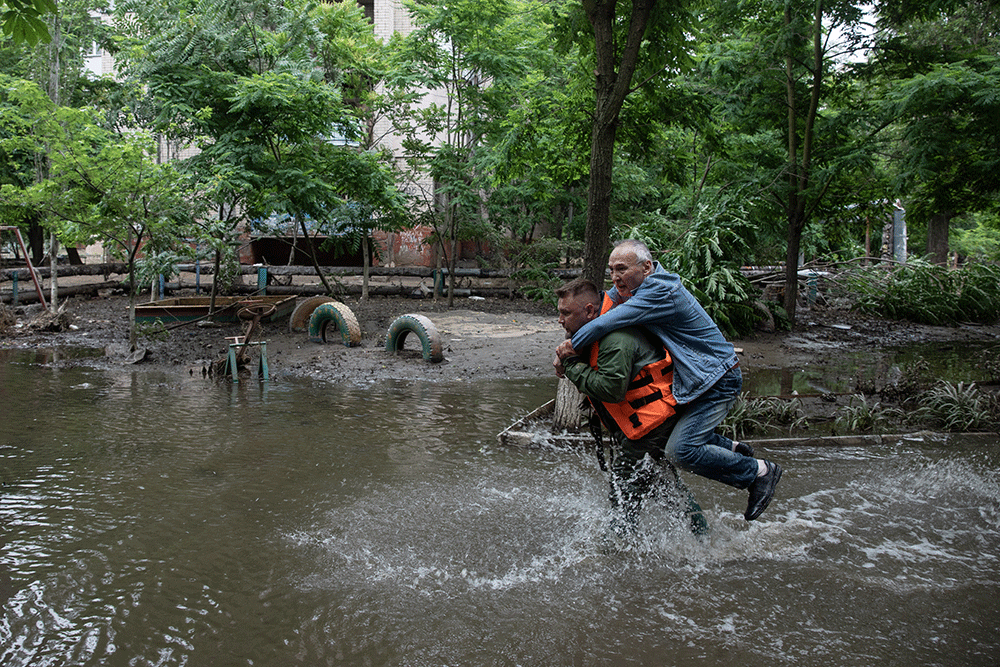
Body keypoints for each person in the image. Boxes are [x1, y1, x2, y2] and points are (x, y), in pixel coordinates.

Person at [555, 239, 782, 521]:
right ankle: (730, 449)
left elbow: (603, 322)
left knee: (681, 451)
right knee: (676, 447)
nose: (615, 277)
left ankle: (758, 472)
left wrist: (567, 353)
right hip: (694, 379)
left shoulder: (661, 290)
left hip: (717, 377)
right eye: (611, 270)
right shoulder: (630, 288)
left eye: (622, 269)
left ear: (646, 268)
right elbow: (605, 304)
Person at [554, 278, 708, 537]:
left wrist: (570, 364)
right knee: (663, 485)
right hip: (648, 423)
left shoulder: (615, 338)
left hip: (650, 424)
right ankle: (702, 537)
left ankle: (617, 548)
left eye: (566, 313)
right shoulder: (597, 331)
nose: (560, 320)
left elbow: (610, 390)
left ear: (590, 311)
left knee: (622, 489)